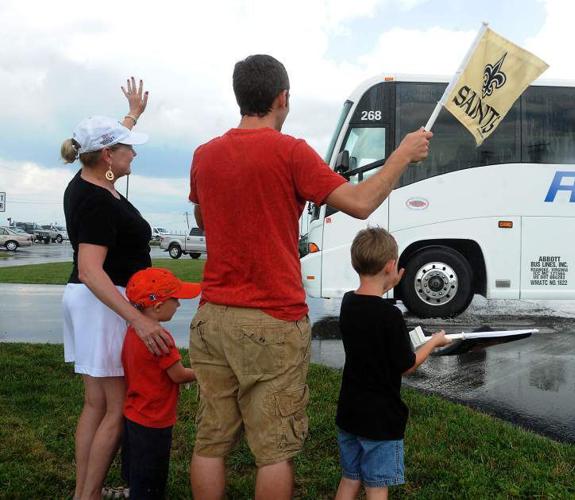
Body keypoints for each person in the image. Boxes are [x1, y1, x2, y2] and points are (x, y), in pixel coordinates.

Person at [187, 54, 432, 499]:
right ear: (282, 98)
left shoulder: (204, 155)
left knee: (210, 442)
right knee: (274, 449)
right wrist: (401, 156)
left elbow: (204, 216)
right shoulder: (291, 152)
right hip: (273, 320)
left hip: (212, 318)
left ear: (240, 96)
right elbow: (359, 203)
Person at [60, 78, 172, 500]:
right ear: (107, 155)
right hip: (103, 302)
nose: (135, 153)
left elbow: (102, 146)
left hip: (94, 302)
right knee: (115, 408)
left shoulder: (96, 181)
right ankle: (86, 496)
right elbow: (91, 270)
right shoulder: (96, 198)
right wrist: (138, 321)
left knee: (97, 404)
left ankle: (82, 492)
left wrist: (131, 116)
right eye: (128, 147)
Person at [334, 228, 451, 500]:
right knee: (376, 485)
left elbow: (370, 299)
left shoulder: (348, 303)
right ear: (390, 266)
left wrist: (389, 281)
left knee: (350, 478)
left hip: (350, 412)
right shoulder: (390, 315)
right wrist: (433, 343)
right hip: (381, 418)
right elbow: (406, 365)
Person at [121, 267, 200, 499]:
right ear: (157, 306)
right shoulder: (161, 339)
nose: (178, 304)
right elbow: (178, 375)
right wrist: (205, 373)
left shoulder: (132, 331)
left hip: (133, 415)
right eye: (175, 299)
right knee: (151, 482)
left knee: (136, 470)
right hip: (155, 421)